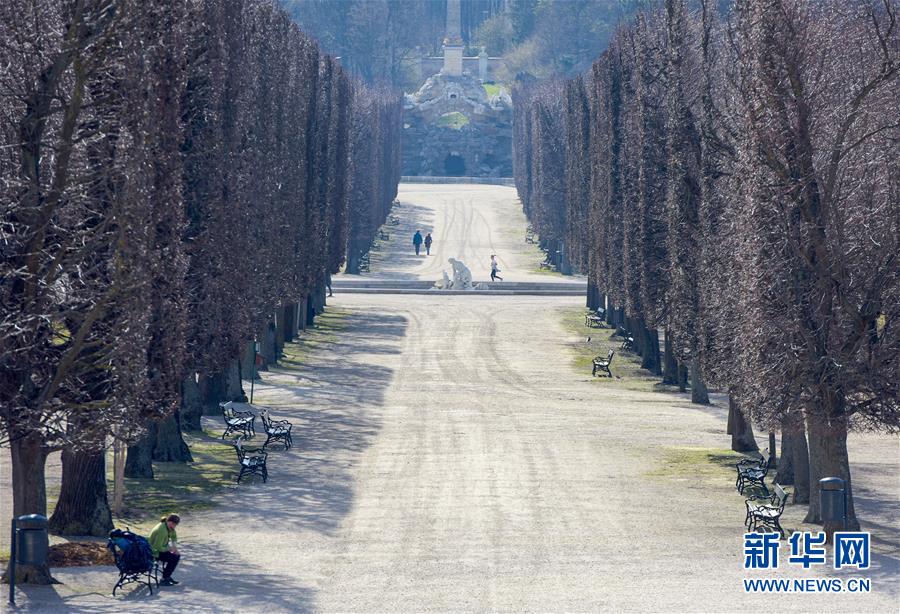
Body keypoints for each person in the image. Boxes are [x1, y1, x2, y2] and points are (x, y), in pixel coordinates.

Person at [148, 514, 181, 586]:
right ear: (170, 522)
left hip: (160, 550)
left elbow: (174, 536)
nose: (175, 526)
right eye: (175, 525)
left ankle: (167, 576)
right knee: (174, 558)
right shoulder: (162, 530)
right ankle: (164, 578)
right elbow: (158, 547)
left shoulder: (167, 526)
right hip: (154, 552)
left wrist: (175, 548)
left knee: (176, 555)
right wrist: (169, 549)